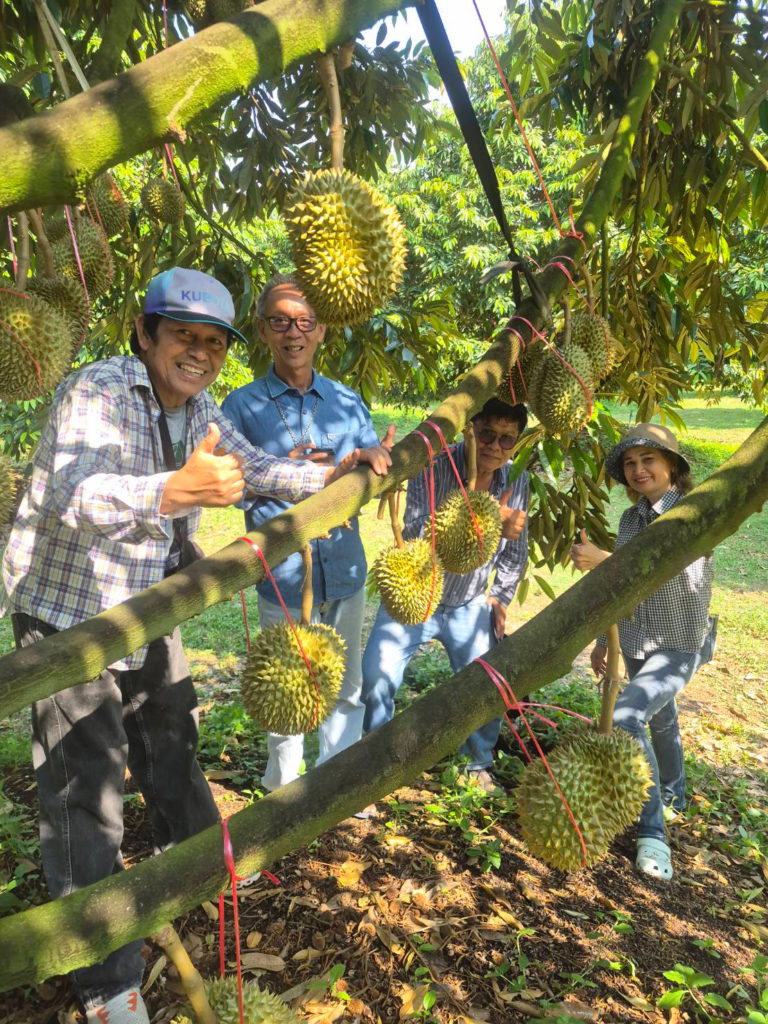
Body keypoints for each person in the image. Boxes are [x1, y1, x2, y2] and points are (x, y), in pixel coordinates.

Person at [0, 267, 390, 1024]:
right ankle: (104, 979)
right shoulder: (99, 391)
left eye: (213, 343)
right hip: (67, 617)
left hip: (148, 605)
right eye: (184, 336)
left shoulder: (201, 403)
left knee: (174, 738)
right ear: (145, 335)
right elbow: (76, 492)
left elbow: (247, 467)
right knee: (88, 793)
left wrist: (327, 473)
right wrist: (174, 492)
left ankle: (202, 865)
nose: (200, 354)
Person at [221, 272, 395, 791]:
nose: (292, 332)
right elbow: (233, 481)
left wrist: (371, 460)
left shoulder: (345, 401)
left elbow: (373, 469)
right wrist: (286, 473)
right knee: (285, 692)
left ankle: (336, 787)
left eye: (305, 322)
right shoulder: (241, 407)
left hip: (344, 567)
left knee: (346, 686)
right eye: (279, 321)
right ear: (263, 330)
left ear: (321, 331)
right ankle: (283, 791)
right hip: (283, 572)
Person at [570, 423, 717, 881]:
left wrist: (604, 561)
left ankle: (653, 833)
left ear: (672, 466)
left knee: (630, 716)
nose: (638, 470)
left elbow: (666, 572)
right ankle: (673, 792)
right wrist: (602, 642)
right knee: (664, 716)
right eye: (630, 463)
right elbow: (622, 590)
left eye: (648, 460)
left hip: (679, 642)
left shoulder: (691, 514)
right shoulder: (631, 519)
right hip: (636, 639)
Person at [361, 398, 529, 796]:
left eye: (507, 440)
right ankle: (374, 758)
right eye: (486, 433)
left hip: (470, 600)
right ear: (470, 428)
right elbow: (417, 530)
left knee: (487, 686)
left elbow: (515, 550)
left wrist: (501, 598)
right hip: (418, 591)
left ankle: (478, 763)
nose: (494, 446)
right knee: (375, 675)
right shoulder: (434, 463)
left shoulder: (516, 477)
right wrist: (486, 517)